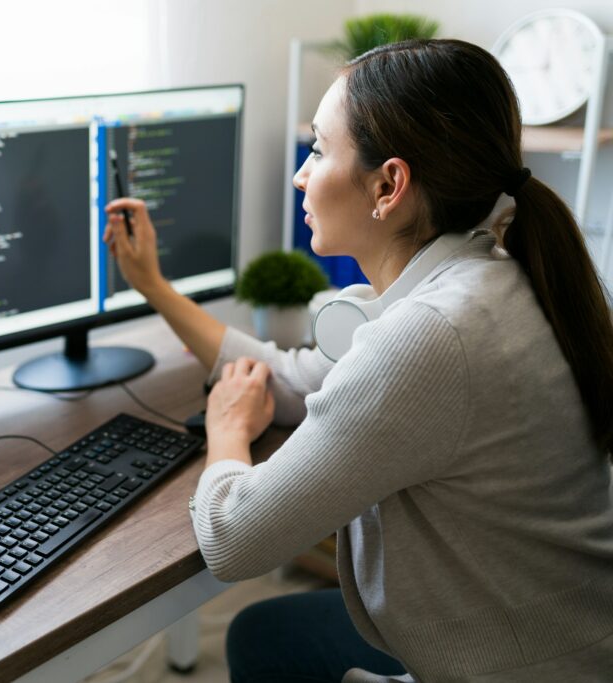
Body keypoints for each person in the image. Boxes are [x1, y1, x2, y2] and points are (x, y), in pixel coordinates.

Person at [103, 39, 613, 682]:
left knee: (265, 639)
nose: (300, 174)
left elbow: (233, 539)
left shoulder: (431, 337)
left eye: (318, 149)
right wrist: (153, 286)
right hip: (558, 635)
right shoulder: (493, 277)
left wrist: (226, 430)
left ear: (388, 185)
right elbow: (288, 377)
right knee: (266, 633)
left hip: (520, 667)